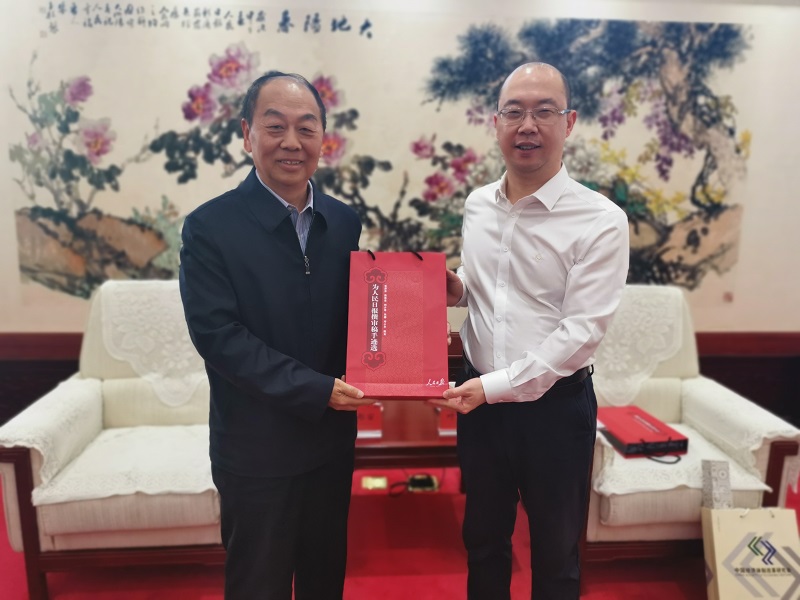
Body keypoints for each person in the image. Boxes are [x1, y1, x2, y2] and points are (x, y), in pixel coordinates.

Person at [430, 63, 630, 599]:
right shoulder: (477, 204)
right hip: (481, 406)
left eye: (544, 112)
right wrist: (456, 287)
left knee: (556, 553)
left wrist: (493, 387)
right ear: (495, 122)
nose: (528, 126)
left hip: (554, 412)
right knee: (483, 541)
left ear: (570, 122)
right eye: (514, 112)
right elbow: (492, 285)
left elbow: (580, 331)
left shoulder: (600, 220)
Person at [179, 71, 374, 600]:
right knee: (257, 585)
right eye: (275, 126)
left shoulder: (343, 221)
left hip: (330, 443)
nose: (292, 142)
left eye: (306, 128)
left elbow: (355, 316)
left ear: (323, 139)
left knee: (323, 580)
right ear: (248, 134)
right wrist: (317, 389)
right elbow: (219, 337)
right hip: (256, 450)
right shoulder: (209, 228)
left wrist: (409, 335)